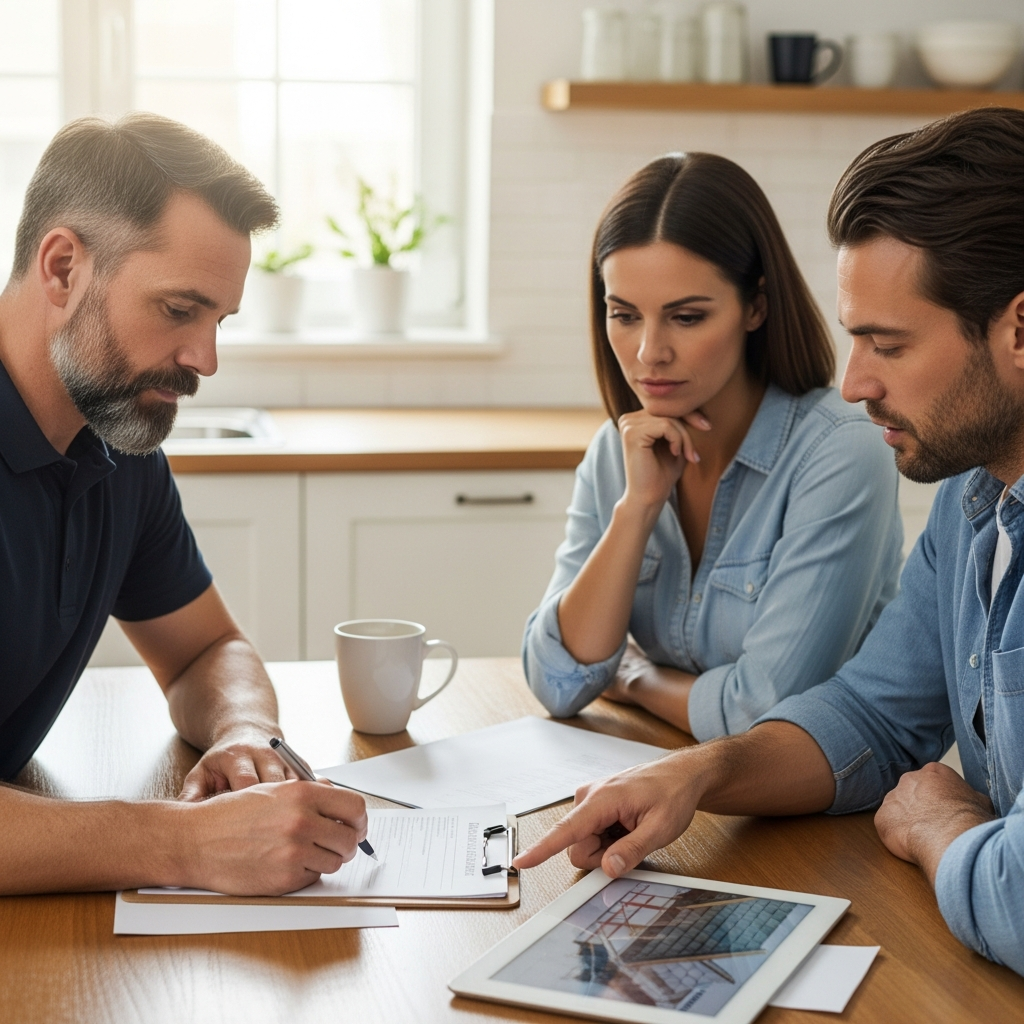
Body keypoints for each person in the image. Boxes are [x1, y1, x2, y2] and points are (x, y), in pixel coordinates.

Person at [514, 107, 1024, 977]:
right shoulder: (970, 501)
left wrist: (944, 826)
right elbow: (869, 714)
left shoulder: (844, 450)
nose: (855, 381)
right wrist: (698, 778)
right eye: (854, 336)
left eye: (887, 344)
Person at [0, 114, 367, 896]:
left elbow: (206, 652)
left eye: (218, 322)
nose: (205, 358)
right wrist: (185, 844)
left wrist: (244, 735)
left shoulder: (117, 446)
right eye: (178, 311)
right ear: (62, 268)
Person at [522, 152, 902, 738]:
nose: (649, 352)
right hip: (659, 773)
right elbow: (557, 680)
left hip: (807, 813)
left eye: (687, 317)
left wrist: (635, 678)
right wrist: (637, 509)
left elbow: (765, 712)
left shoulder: (842, 452)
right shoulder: (618, 449)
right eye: (624, 314)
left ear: (756, 306)